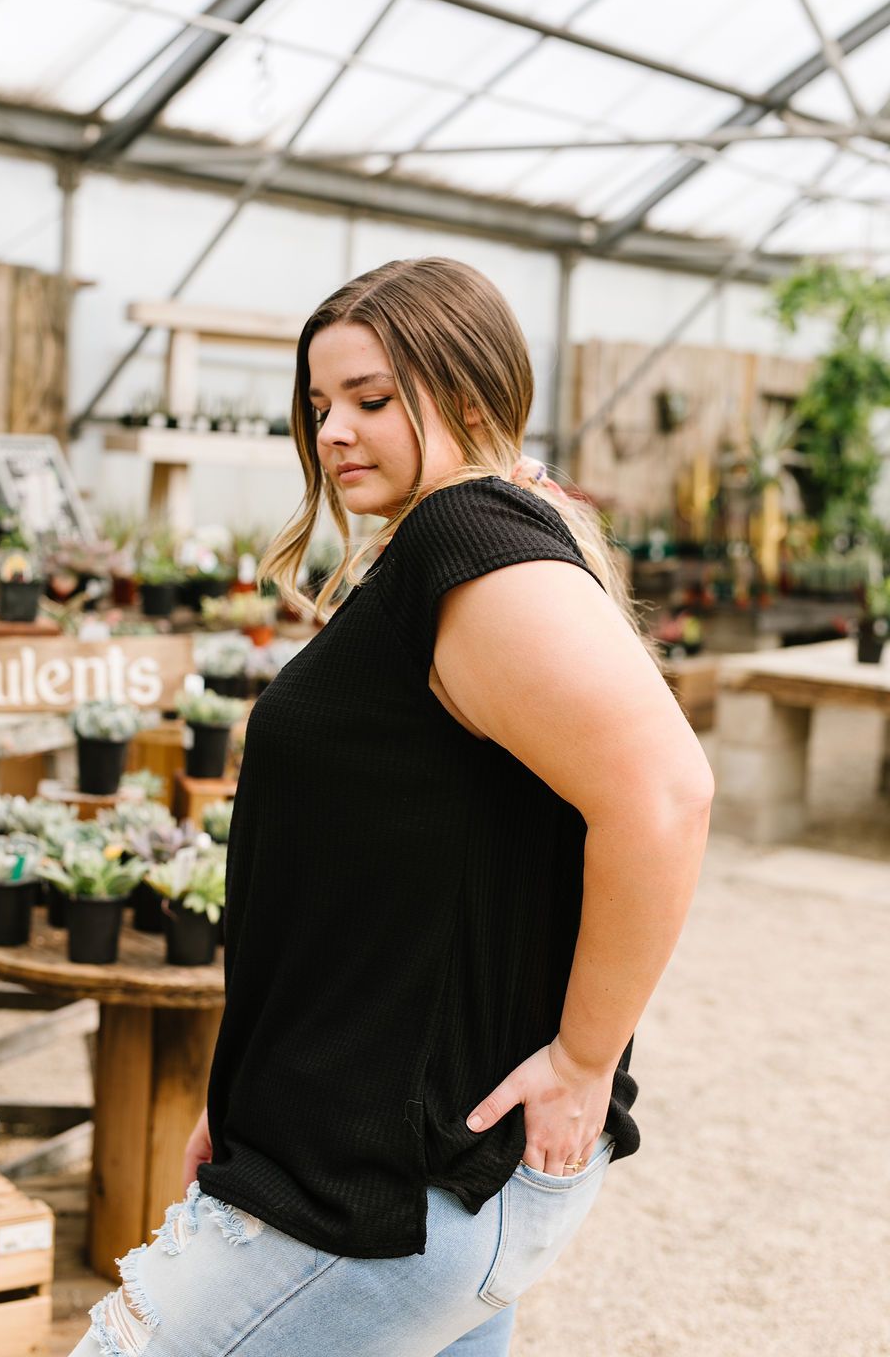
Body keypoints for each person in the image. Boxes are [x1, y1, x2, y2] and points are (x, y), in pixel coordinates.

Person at [71, 257, 713, 1357]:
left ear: (469, 399)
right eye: (320, 405)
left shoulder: (471, 552)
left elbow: (664, 794)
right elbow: (376, 880)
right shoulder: (449, 547)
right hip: (395, 1161)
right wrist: (246, 1098)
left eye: (371, 399)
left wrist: (582, 1060)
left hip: (380, 1194)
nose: (332, 431)